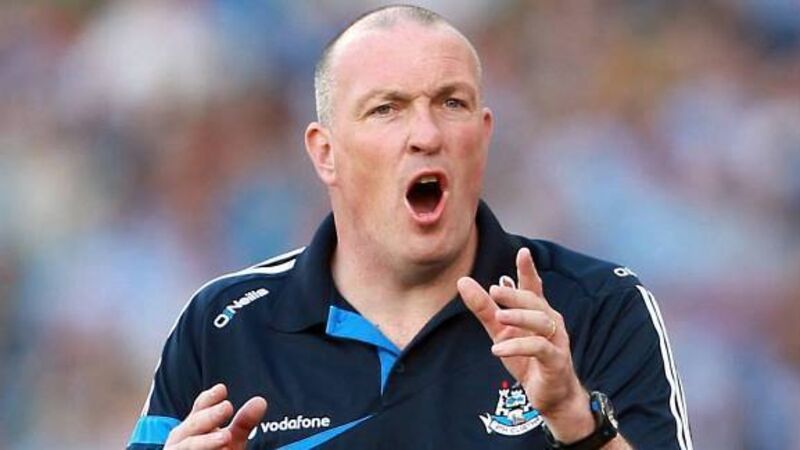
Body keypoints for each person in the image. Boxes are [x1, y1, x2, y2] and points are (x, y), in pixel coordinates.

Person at [128, 5, 692, 450]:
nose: (426, 135)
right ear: (326, 153)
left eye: (451, 103)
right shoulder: (224, 326)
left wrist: (576, 421)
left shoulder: (595, 307)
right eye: (387, 108)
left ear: (483, 135)